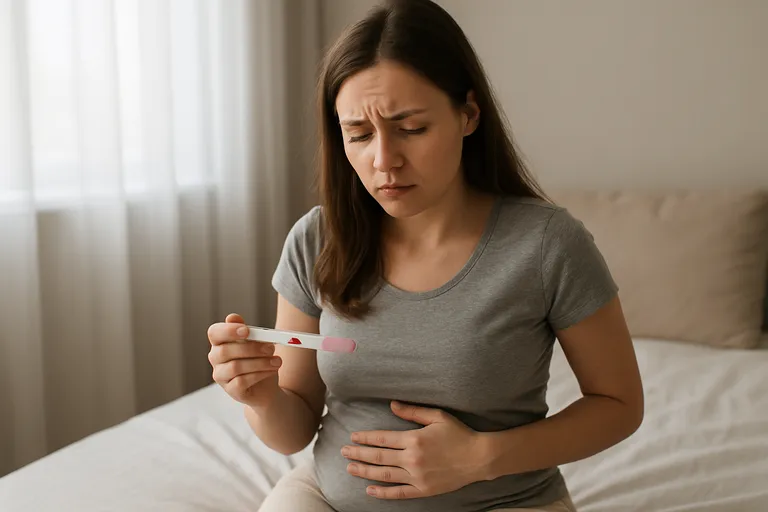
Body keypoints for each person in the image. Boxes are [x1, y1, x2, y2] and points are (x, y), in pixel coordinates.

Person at [206, 0, 644, 510]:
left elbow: (618, 405)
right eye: (360, 135)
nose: (384, 160)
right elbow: (293, 429)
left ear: (468, 115)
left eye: (411, 128)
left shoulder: (548, 245)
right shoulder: (317, 239)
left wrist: (480, 457)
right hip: (328, 497)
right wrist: (259, 396)